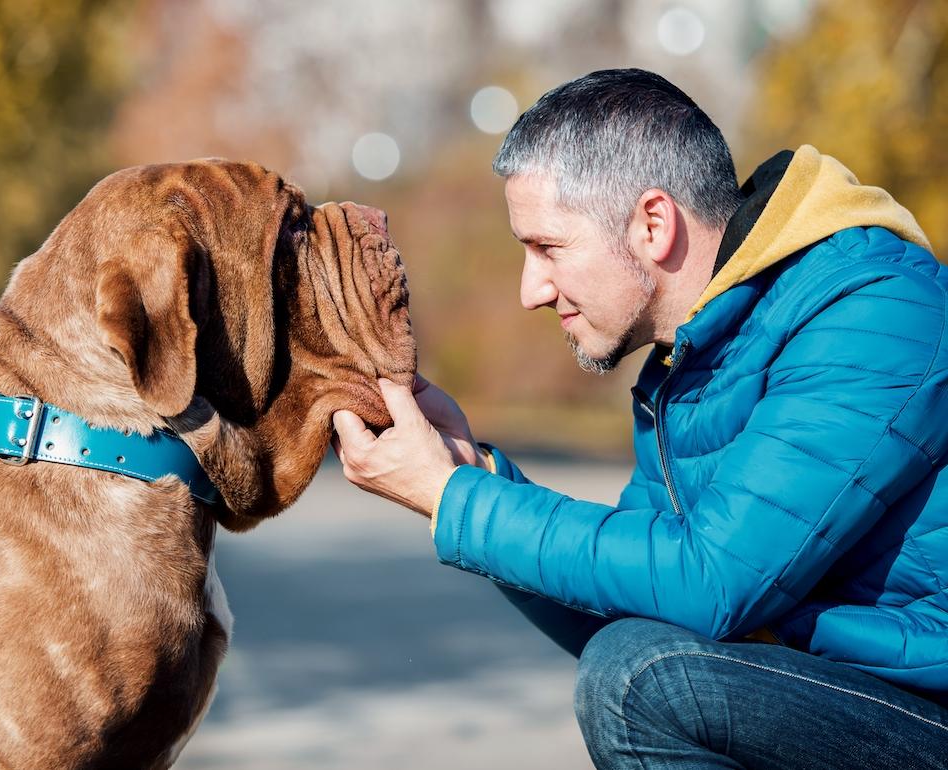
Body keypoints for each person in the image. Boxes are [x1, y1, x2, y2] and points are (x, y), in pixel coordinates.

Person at [331, 68, 948, 768]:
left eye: (547, 247)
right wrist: (469, 468)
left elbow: (711, 583)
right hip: (857, 703)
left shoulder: (872, 314)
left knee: (639, 679)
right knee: (637, 661)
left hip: (926, 709)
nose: (531, 289)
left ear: (653, 223)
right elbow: (643, 606)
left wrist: (453, 501)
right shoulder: (688, 366)